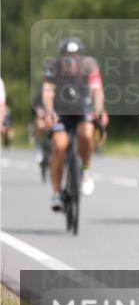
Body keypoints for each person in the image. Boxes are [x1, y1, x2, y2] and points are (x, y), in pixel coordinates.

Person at [41, 37, 107, 210]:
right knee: (59, 146)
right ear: (61, 57)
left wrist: (99, 110)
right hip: (60, 111)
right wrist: (49, 112)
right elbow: (48, 93)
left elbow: (97, 91)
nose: (71, 60)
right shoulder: (53, 67)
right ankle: (56, 192)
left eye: (75, 56)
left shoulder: (89, 66)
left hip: (82, 108)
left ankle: (85, 171)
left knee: (86, 133)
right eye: (67, 56)